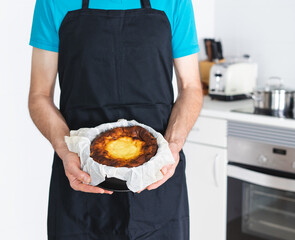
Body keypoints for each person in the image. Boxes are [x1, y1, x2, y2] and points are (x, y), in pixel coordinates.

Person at [28, 0, 203, 239]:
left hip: (156, 181)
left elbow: (191, 87)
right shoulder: (52, 2)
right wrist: (64, 149)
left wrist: (173, 146)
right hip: (81, 180)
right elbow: (39, 96)